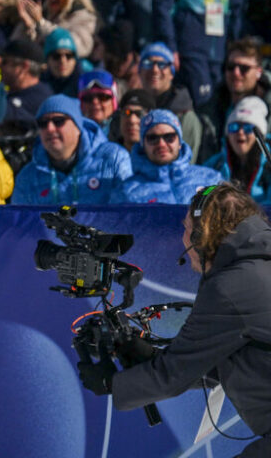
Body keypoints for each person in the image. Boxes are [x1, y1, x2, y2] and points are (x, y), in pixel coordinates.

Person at [79, 183, 271, 458]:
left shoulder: (232, 286)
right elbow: (227, 361)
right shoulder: (258, 265)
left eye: (186, 228)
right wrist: (149, 357)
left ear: (204, 234)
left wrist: (112, 383)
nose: (183, 238)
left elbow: (174, 374)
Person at [11, 94, 131, 204]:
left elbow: (127, 212)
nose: (50, 128)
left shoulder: (112, 159)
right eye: (43, 123)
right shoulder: (28, 177)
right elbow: (19, 224)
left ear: (77, 127)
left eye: (58, 121)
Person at [111, 109, 222, 204]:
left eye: (169, 137)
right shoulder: (126, 193)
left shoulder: (211, 180)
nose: (161, 144)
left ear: (179, 143)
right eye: (153, 138)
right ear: (143, 145)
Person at [196, 37, 271, 163]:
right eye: (231, 67)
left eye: (244, 68)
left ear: (259, 72)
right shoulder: (211, 108)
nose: (236, 73)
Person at [139, 42, 203, 162]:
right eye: (147, 63)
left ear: (171, 73)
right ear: (140, 71)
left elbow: (186, 163)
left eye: (162, 64)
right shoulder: (131, 111)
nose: (154, 69)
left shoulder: (185, 115)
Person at [13, 0, 98, 58]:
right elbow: (14, 49)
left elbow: (79, 48)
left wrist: (41, 23)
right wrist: (28, 26)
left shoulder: (84, 18)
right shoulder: (44, 15)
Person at [203, 97, 271, 202]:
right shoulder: (215, 165)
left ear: (259, 136)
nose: (240, 132)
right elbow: (203, 193)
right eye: (234, 127)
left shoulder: (268, 165)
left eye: (248, 128)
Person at [78, 69, 117, 134]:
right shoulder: (74, 134)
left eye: (103, 97)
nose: (95, 102)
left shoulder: (124, 133)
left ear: (113, 102)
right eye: (88, 98)